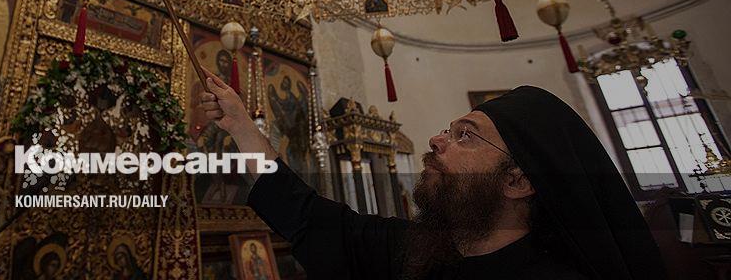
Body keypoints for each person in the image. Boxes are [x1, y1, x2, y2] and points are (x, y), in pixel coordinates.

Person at [197, 71, 666, 280]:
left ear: (517, 181)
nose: (437, 140)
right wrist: (240, 124)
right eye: (448, 129)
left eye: (466, 136)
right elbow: (301, 212)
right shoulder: (415, 251)